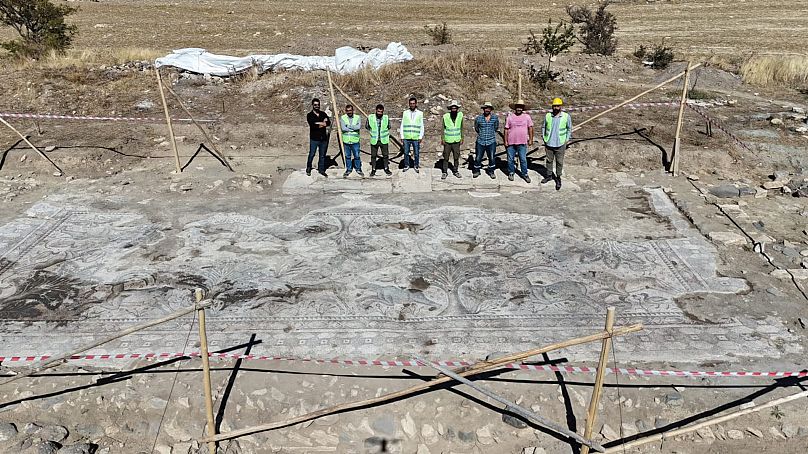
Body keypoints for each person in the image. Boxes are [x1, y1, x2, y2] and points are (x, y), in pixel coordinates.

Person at [541, 97, 572, 190]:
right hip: (549, 142)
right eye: (554, 106)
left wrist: (566, 140)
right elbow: (543, 127)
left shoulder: (566, 116)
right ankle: (549, 175)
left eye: (558, 106)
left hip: (560, 143)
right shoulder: (548, 116)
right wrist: (544, 138)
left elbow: (569, 128)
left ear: (561, 107)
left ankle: (558, 178)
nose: (556, 108)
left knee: (559, 162)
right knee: (549, 161)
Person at [504, 99, 533, 183]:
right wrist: (505, 140)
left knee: (523, 159)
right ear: (515, 108)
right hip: (511, 142)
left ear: (523, 108)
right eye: (517, 107)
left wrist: (531, 139)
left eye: (521, 107)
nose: (519, 109)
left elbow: (530, 128)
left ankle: (525, 174)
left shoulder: (527, 117)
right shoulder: (510, 117)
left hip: (522, 142)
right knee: (510, 159)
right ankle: (511, 172)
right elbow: (506, 129)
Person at [473, 101, 499, 179]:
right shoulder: (478, 118)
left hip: (491, 141)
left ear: (491, 109)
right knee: (478, 157)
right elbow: (477, 128)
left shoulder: (495, 118)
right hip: (480, 141)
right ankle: (477, 170)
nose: (487, 110)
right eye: (485, 108)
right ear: (483, 109)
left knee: (491, 157)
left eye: (488, 108)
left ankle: (491, 171)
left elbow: (496, 127)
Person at [306, 98, 330, 176]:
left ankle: (321, 169)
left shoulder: (323, 114)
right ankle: (309, 167)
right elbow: (313, 126)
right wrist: (323, 123)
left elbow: (328, 123)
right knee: (312, 154)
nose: (317, 106)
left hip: (323, 138)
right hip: (314, 138)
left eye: (318, 105)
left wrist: (319, 123)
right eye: (315, 105)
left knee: (322, 155)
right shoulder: (309, 115)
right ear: (312, 105)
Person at [399, 97, 424, 173]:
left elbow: (421, 125)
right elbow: (402, 124)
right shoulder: (405, 113)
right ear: (409, 104)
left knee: (416, 153)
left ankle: (416, 165)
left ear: (416, 104)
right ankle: (407, 165)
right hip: (407, 137)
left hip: (416, 137)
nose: (412, 105)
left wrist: (420, 136)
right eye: (411, 103)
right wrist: (402, 136)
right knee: (406, 152)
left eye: (413, 103)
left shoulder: (420, 113)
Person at [366, 104, 392, 177]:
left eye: (381, 112)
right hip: (374, 140)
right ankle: (373, 169)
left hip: (383, 140)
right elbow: (367, 126)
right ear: (376, 111)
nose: (379, 113)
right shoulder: (370, 117)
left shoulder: (386, 118)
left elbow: (389, 126)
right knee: (373, 156)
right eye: (378, 111)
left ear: (383, 111)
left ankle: (386, 168)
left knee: (385, 155)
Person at [441, 100, 464, 179]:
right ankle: (444, 172)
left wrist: (462, 137)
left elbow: (461, 127)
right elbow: (442, 128)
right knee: (446, 157)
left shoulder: (460, 116)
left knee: (456, 157)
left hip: (456, 140)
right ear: (450, 109)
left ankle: (455, 170)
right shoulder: (446, 116)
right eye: (452, 108)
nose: (454, 109)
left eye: (455, 108)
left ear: (457, 109)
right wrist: (442, 138)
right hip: (447, 140)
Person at [341, 104, 363, 178]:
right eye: (347, 111)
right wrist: (353, 128)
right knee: (347, 156)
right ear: (345, 111)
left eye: (350, 110)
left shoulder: (357, 117)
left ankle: (358, 169)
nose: (349, 112)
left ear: (353, 110)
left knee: (357, 156)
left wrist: (349, 126)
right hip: (346, 141)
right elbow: (343, 128)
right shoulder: (343, 118)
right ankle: (349, 169)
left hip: (355, 141)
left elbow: (358, 127)